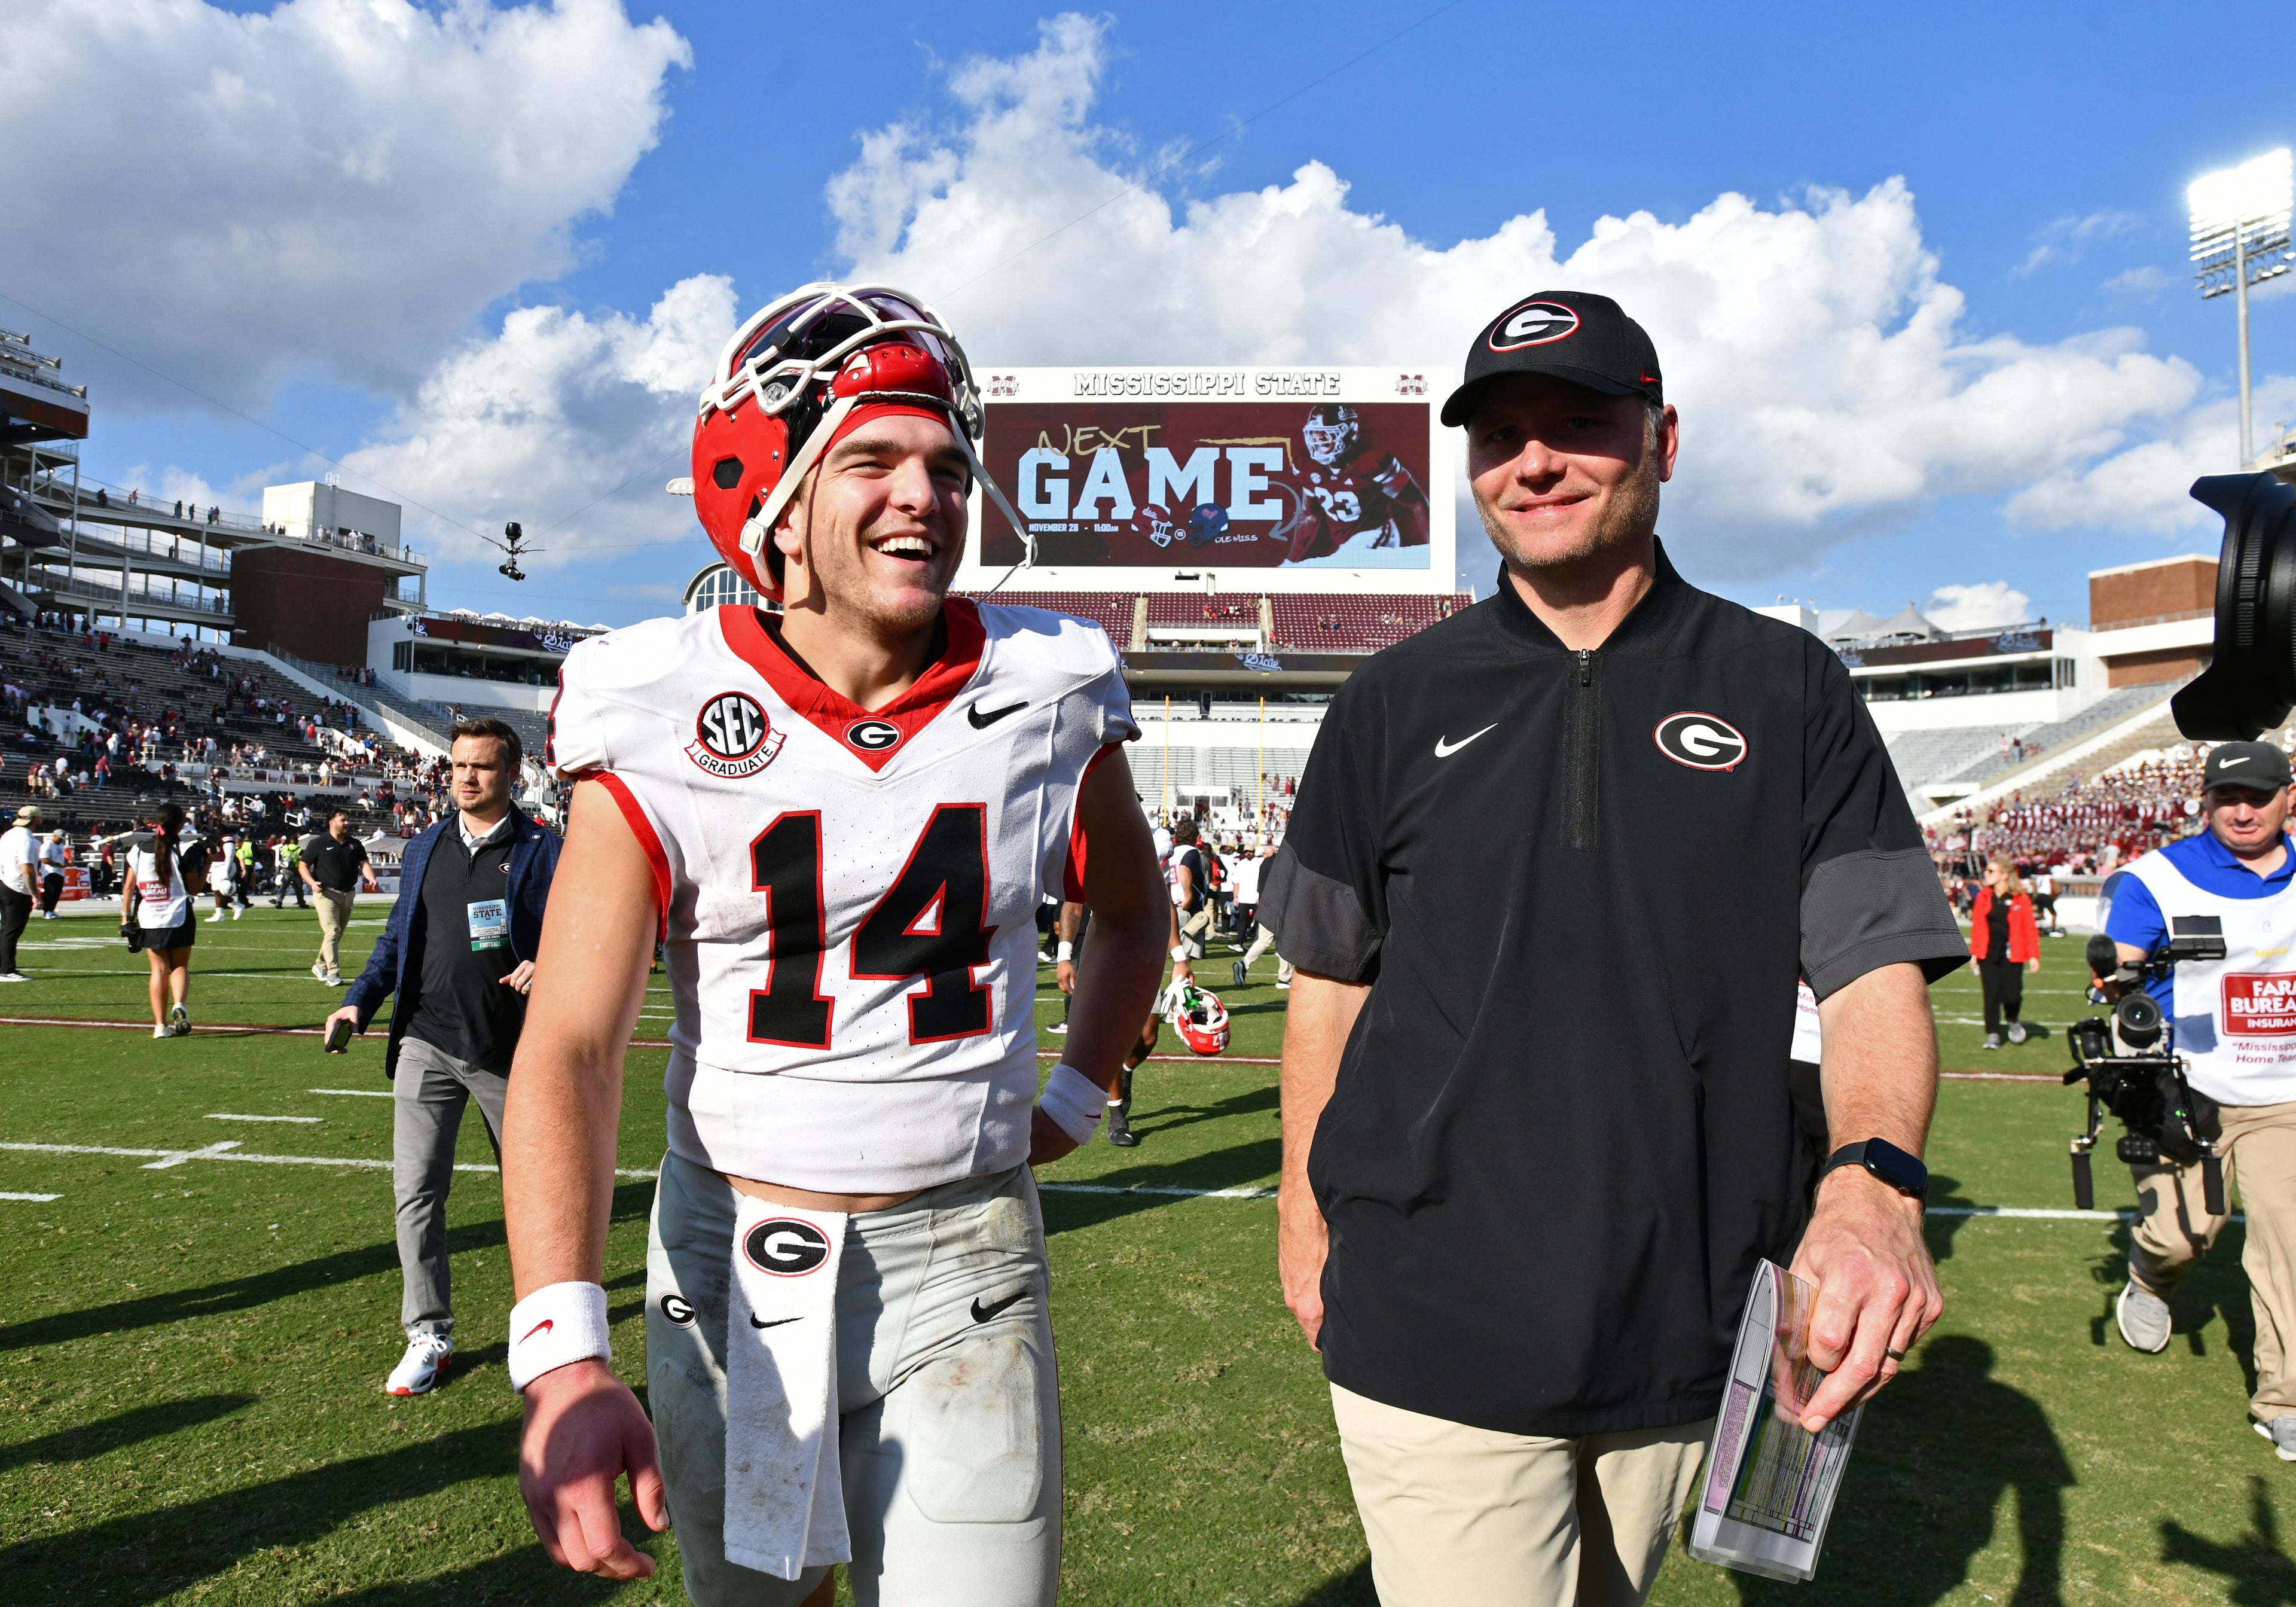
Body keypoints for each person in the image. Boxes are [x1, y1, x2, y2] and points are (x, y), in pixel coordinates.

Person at [1264, 289, 1968, 1607]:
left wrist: (1873, 1181)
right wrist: (1305, 1212)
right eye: (1501, 434)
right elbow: (1329, 981)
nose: (1534, 460)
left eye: (1580, 423)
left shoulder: (1791, 686)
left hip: (1693, 1314)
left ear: (1665, 439)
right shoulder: (1386, 701)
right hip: (1433, 1309)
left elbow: (1875, 963)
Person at [498, 282, 1167, 1603]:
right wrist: (564, 1350)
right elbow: (573, 1037)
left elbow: (1134, 905)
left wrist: (1082, 1088)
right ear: (777, 502)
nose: (924, 491)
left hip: (966, 1253)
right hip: (737, 1251)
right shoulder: (658, 697)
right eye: (872, 458)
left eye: (946, 463)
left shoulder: (1046, 686)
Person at [326, 718, 563, 1396]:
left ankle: (543, 1324)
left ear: (513, 774)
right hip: (425, 1040)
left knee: (533, 1196)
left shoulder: (546, 850)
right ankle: (428, 1331)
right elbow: (397, 939)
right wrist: (358, 1001)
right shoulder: (427, 842)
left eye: (482, 766)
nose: (465, 776)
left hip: (508, 1049)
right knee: (417, 1192)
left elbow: (582, 936)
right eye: (458, 765)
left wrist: (551, 963)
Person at [2098, 742, 2296, 1459]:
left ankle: (2285, 1397)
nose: (2243, 809)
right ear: (2205, 800)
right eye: (2227, 796)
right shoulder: (2157, 878)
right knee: (2187, 1232)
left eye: (2260, 794)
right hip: (2189, 1090)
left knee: (2289, 1242)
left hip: (2286, 1095)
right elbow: (2118, 972)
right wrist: (2120, 994)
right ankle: (2150, 1278)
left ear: (2288, 797)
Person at [120, 803, 207, 1039]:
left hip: (149, 916)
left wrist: (125, 917)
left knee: (158, 970)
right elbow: (195, 889)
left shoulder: (139, 849)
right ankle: (179, 1003)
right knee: (179, 967)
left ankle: (160, 1025)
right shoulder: (186, 848)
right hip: (179, 914)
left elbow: (128, 886)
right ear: (180, 824)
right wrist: (208, 863)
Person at [1968, 856, 2041, 1050]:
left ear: (2004, 875)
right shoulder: (1984, 897)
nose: (1987, 874)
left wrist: (2033, 955)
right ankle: (1993, 1034)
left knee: (2012, 995)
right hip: (1989, 954)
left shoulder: (2020, 898)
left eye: (1991, 871)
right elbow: (1977, 927)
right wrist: (1975, 954)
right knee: (1991, 994)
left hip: (2013, 954)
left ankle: (2012, 1019)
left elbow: (2030, 928)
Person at [301, 806, 378, 985]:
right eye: (342, 820)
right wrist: (312, 883)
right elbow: (303, 865)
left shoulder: (355, 844)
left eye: (346, 820)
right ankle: (333, 973)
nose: (346, 823)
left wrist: (371, 878)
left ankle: (320, 965)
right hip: (326, 893)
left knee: (336, 935)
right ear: (331, 823)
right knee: (332, 931)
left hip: (348, 894)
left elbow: (364, 863)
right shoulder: (318, 843)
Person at [1232, 841, 1294, 990]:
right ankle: (1284, 978)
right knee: (1286, 942)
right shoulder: (1286, 863)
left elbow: (1261, 885)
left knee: (1264, 940)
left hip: (1266, 905)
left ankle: (1244, 963)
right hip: (1281, 906)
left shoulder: (1265, 863)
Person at [0, 804, 37, 982]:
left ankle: (4, 965)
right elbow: (27, 868)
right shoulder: (26, 838)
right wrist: (36, 895)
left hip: (4, 882)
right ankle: (6, 969)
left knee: (6, 929)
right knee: (12, 930)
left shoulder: (8, 835)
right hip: (17, 886)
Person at [36, 831, 66, 919]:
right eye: (60, 838)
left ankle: (52, 910)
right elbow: (44, 859)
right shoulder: (48, 845)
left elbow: (61, 857)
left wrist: (67, 862)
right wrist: (59, 864)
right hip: (50, 871)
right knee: (50, 892)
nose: (61, 840)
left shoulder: (61, 846)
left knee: (57, 892)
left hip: (60, 871)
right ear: (55, 836)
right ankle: (47, 911)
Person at [272, 834, 307, 908]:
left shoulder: (284, 847)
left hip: (285, 869)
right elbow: (302, 859)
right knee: (299, 887)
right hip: (295, 870)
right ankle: (301, 903)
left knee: (283, 887)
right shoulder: (299, 849)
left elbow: (282, 856)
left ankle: (279, 902)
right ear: (296, 841)